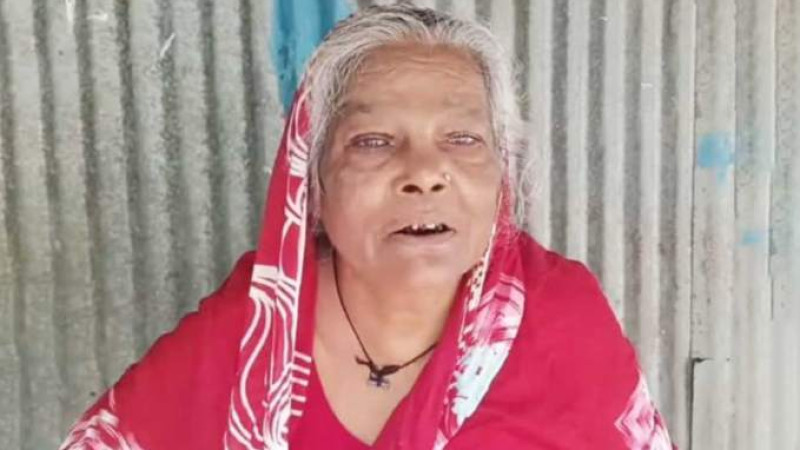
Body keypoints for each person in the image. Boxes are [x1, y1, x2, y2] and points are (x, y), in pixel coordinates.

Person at [59, 5, 674, 449]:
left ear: (502, 175)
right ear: (312, 184)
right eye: (374, 141)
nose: (424, 174)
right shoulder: (250, 332)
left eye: (462, 139)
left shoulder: (560, 320)